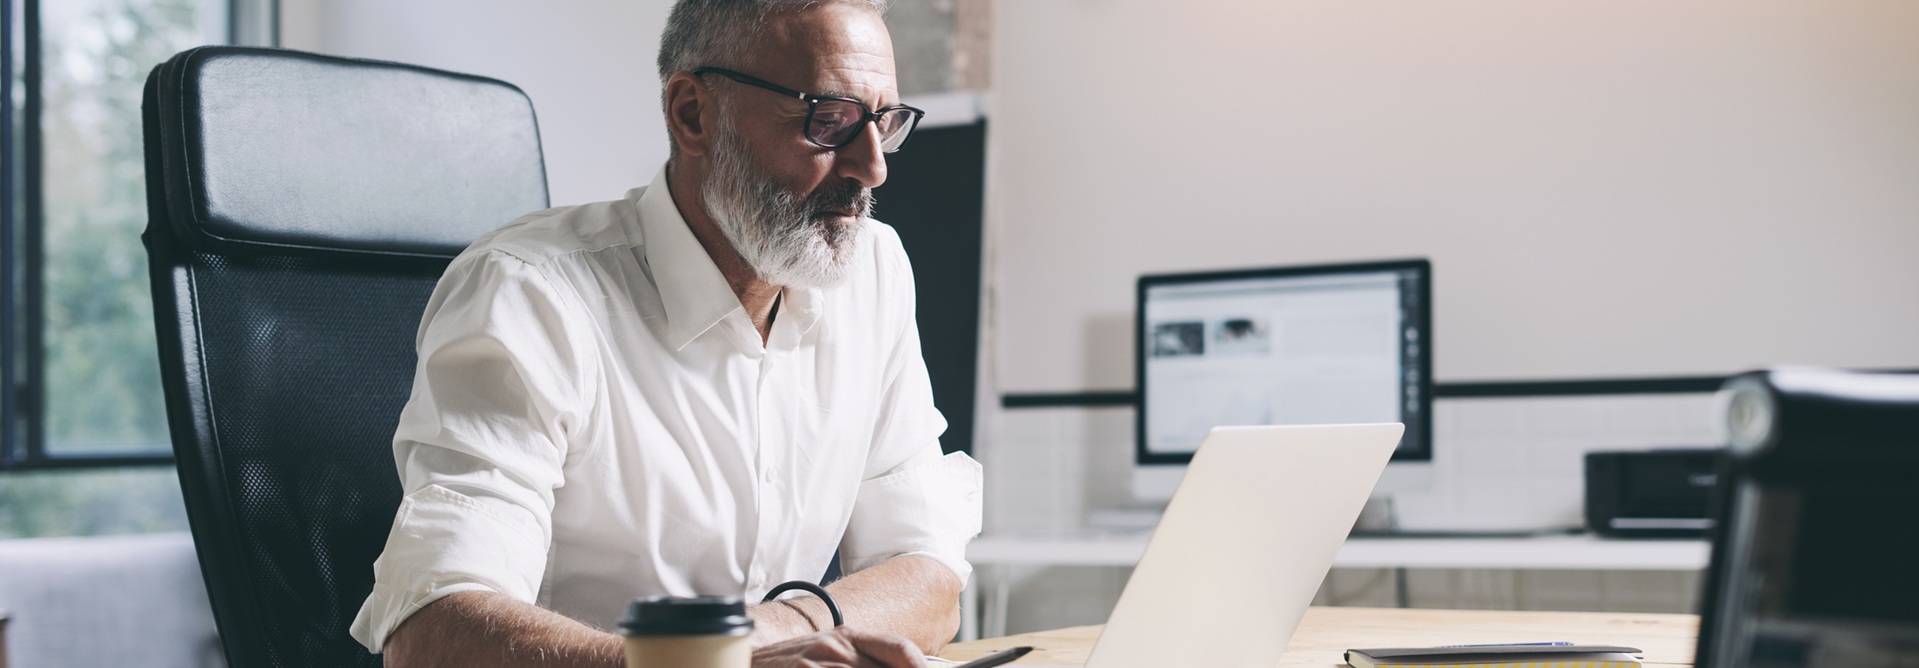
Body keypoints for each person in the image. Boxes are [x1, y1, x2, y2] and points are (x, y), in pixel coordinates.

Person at [346, 1, 982, 666]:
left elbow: (928, 574)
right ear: (692, 115)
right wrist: (705, 662)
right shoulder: (531, 292)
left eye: (884, 123)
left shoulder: (871, 270)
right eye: (829, 120)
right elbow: (429, 630)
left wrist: (758, 639)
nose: (872, 167)